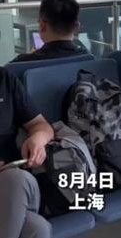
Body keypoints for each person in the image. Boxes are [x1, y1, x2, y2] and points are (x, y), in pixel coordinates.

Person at [0, 67, 54, 238]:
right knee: (38, 229)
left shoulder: (4, 79)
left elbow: (40, 124)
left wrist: (39, 139)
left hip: (11, 182)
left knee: (17, 179)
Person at [12, 0, 89, 62]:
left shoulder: (21, 63)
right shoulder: (87, 58)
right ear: (76, 27)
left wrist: (30, 55)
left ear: (42, 26)